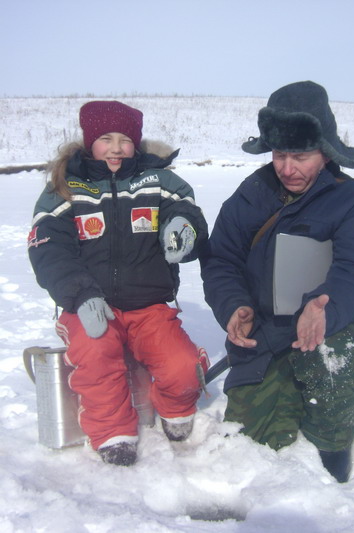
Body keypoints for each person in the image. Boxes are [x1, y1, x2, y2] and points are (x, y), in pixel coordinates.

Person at [201, 81, 354, 482]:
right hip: (267, 332)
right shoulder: (251, 194)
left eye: (301, 155)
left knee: (329, 360)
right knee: (250, 442)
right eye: (280, 154)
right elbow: (221, 260)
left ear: (325, 151)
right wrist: (234, 305)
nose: (287, 168)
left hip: (335, 322)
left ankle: (331, 448)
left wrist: (325, 305)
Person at [28, 100, 208, 466]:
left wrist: (184, 230)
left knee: (181, 365)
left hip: (150, 306)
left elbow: (186, 212)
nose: (115, 147)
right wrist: (79, 295)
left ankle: (175, 411)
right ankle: (112, 434)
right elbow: (48, 248)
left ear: (136, 144)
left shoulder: (160, 181)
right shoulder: (65, 188)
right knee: (96, 357)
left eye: (125, 139)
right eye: (105, 138)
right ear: (88, 141)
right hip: (91, 305)